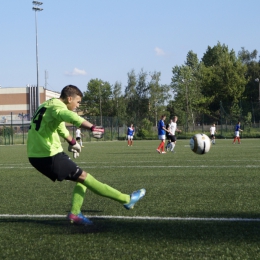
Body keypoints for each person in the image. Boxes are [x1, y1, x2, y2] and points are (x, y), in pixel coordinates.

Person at [27, 85, 146, 225]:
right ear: (69, 98)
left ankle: (75, 213)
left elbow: (60, 128)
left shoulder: (48, 105)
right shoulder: (58, 107)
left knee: (81, 180)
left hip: (40, 154)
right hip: (47, 155)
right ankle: (126, 200)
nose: (77, 105)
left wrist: (73, 142)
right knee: (85, 177)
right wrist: (92, 127)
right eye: (77, 102)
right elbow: (69, 116)